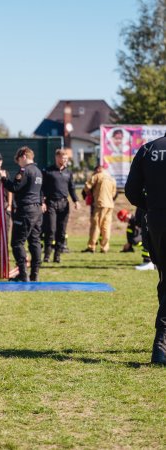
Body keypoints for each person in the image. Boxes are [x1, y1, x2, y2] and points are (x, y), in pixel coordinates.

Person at [125, 132, 166, 365]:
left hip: (156, 222)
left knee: (164, 279)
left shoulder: (148, 149)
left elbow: (131, 191)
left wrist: (153, 206)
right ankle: (161, 343)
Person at [0, 146, 44, 282]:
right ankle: (34, 274)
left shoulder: (25, 170)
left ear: (23, 156)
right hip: (37, 209)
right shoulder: (38, 171)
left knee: (17, 243)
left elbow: (15, 187)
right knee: (35, 241)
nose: (18, 164)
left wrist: (4, 179)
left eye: (18, 160)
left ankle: (23, 274)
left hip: (25, 210)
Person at [42, 149, 80, 263]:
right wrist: (42, 202)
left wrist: (76, 201)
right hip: (51, 203)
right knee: (50, 230)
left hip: (64, 204)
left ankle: (57, 255)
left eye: (66, 159)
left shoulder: (68, 172)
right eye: (63, 158)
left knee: (61, 231)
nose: (65, 160)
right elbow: (42, 188)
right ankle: (47, 255)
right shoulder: (48, 171)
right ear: (57, 158)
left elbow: (72, 188)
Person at [81, 165, 117, 253]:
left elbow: (87, 186)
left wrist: (89, 193)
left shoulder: (97, 176)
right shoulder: (111, 179)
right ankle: (104, 247)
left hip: (100, 204)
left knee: (96, 225)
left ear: (98, 169)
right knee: (106, 227)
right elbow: (114, 193)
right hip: (110, 205)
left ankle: (91, 246)